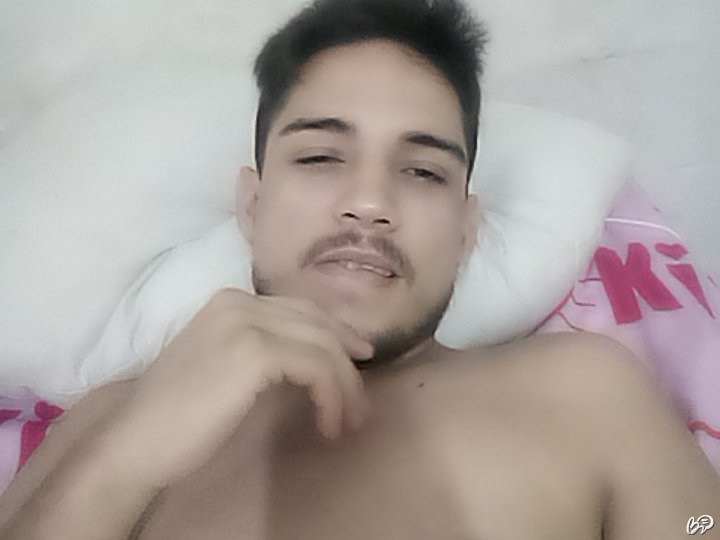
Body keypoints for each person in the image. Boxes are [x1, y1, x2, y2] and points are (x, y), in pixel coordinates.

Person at [1, 0, 719, 538]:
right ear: (252, 206)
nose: (371, 203)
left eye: (423, 171)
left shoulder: (587, 392)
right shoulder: (112, 420)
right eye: (320, 156)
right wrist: (125, 461)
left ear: (466, 229)